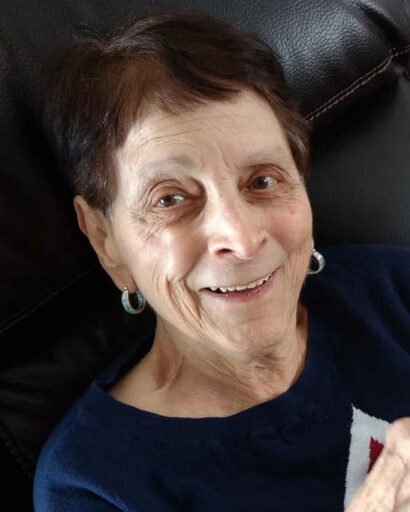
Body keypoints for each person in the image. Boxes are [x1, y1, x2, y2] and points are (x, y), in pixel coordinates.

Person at [33, 11, 410, 512]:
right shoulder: (91, 487)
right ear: (106, 241)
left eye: (263, 181)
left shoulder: (393, 288)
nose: (242, 239)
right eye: (170, 199)